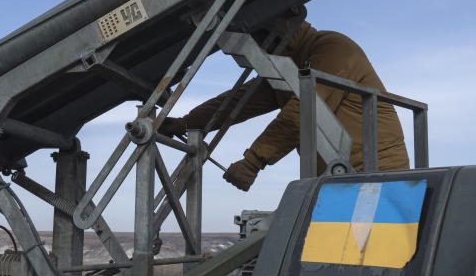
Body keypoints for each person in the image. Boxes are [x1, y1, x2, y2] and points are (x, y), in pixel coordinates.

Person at [161, 20, 409, 190]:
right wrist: (187, 123)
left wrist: (253, 161)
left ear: (277, 34)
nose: (259, 52)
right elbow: (240, 100)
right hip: (341, 176)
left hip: (377, 175)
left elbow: (304, 110)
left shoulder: (333, 49)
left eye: (259, 42)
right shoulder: (290, 66)